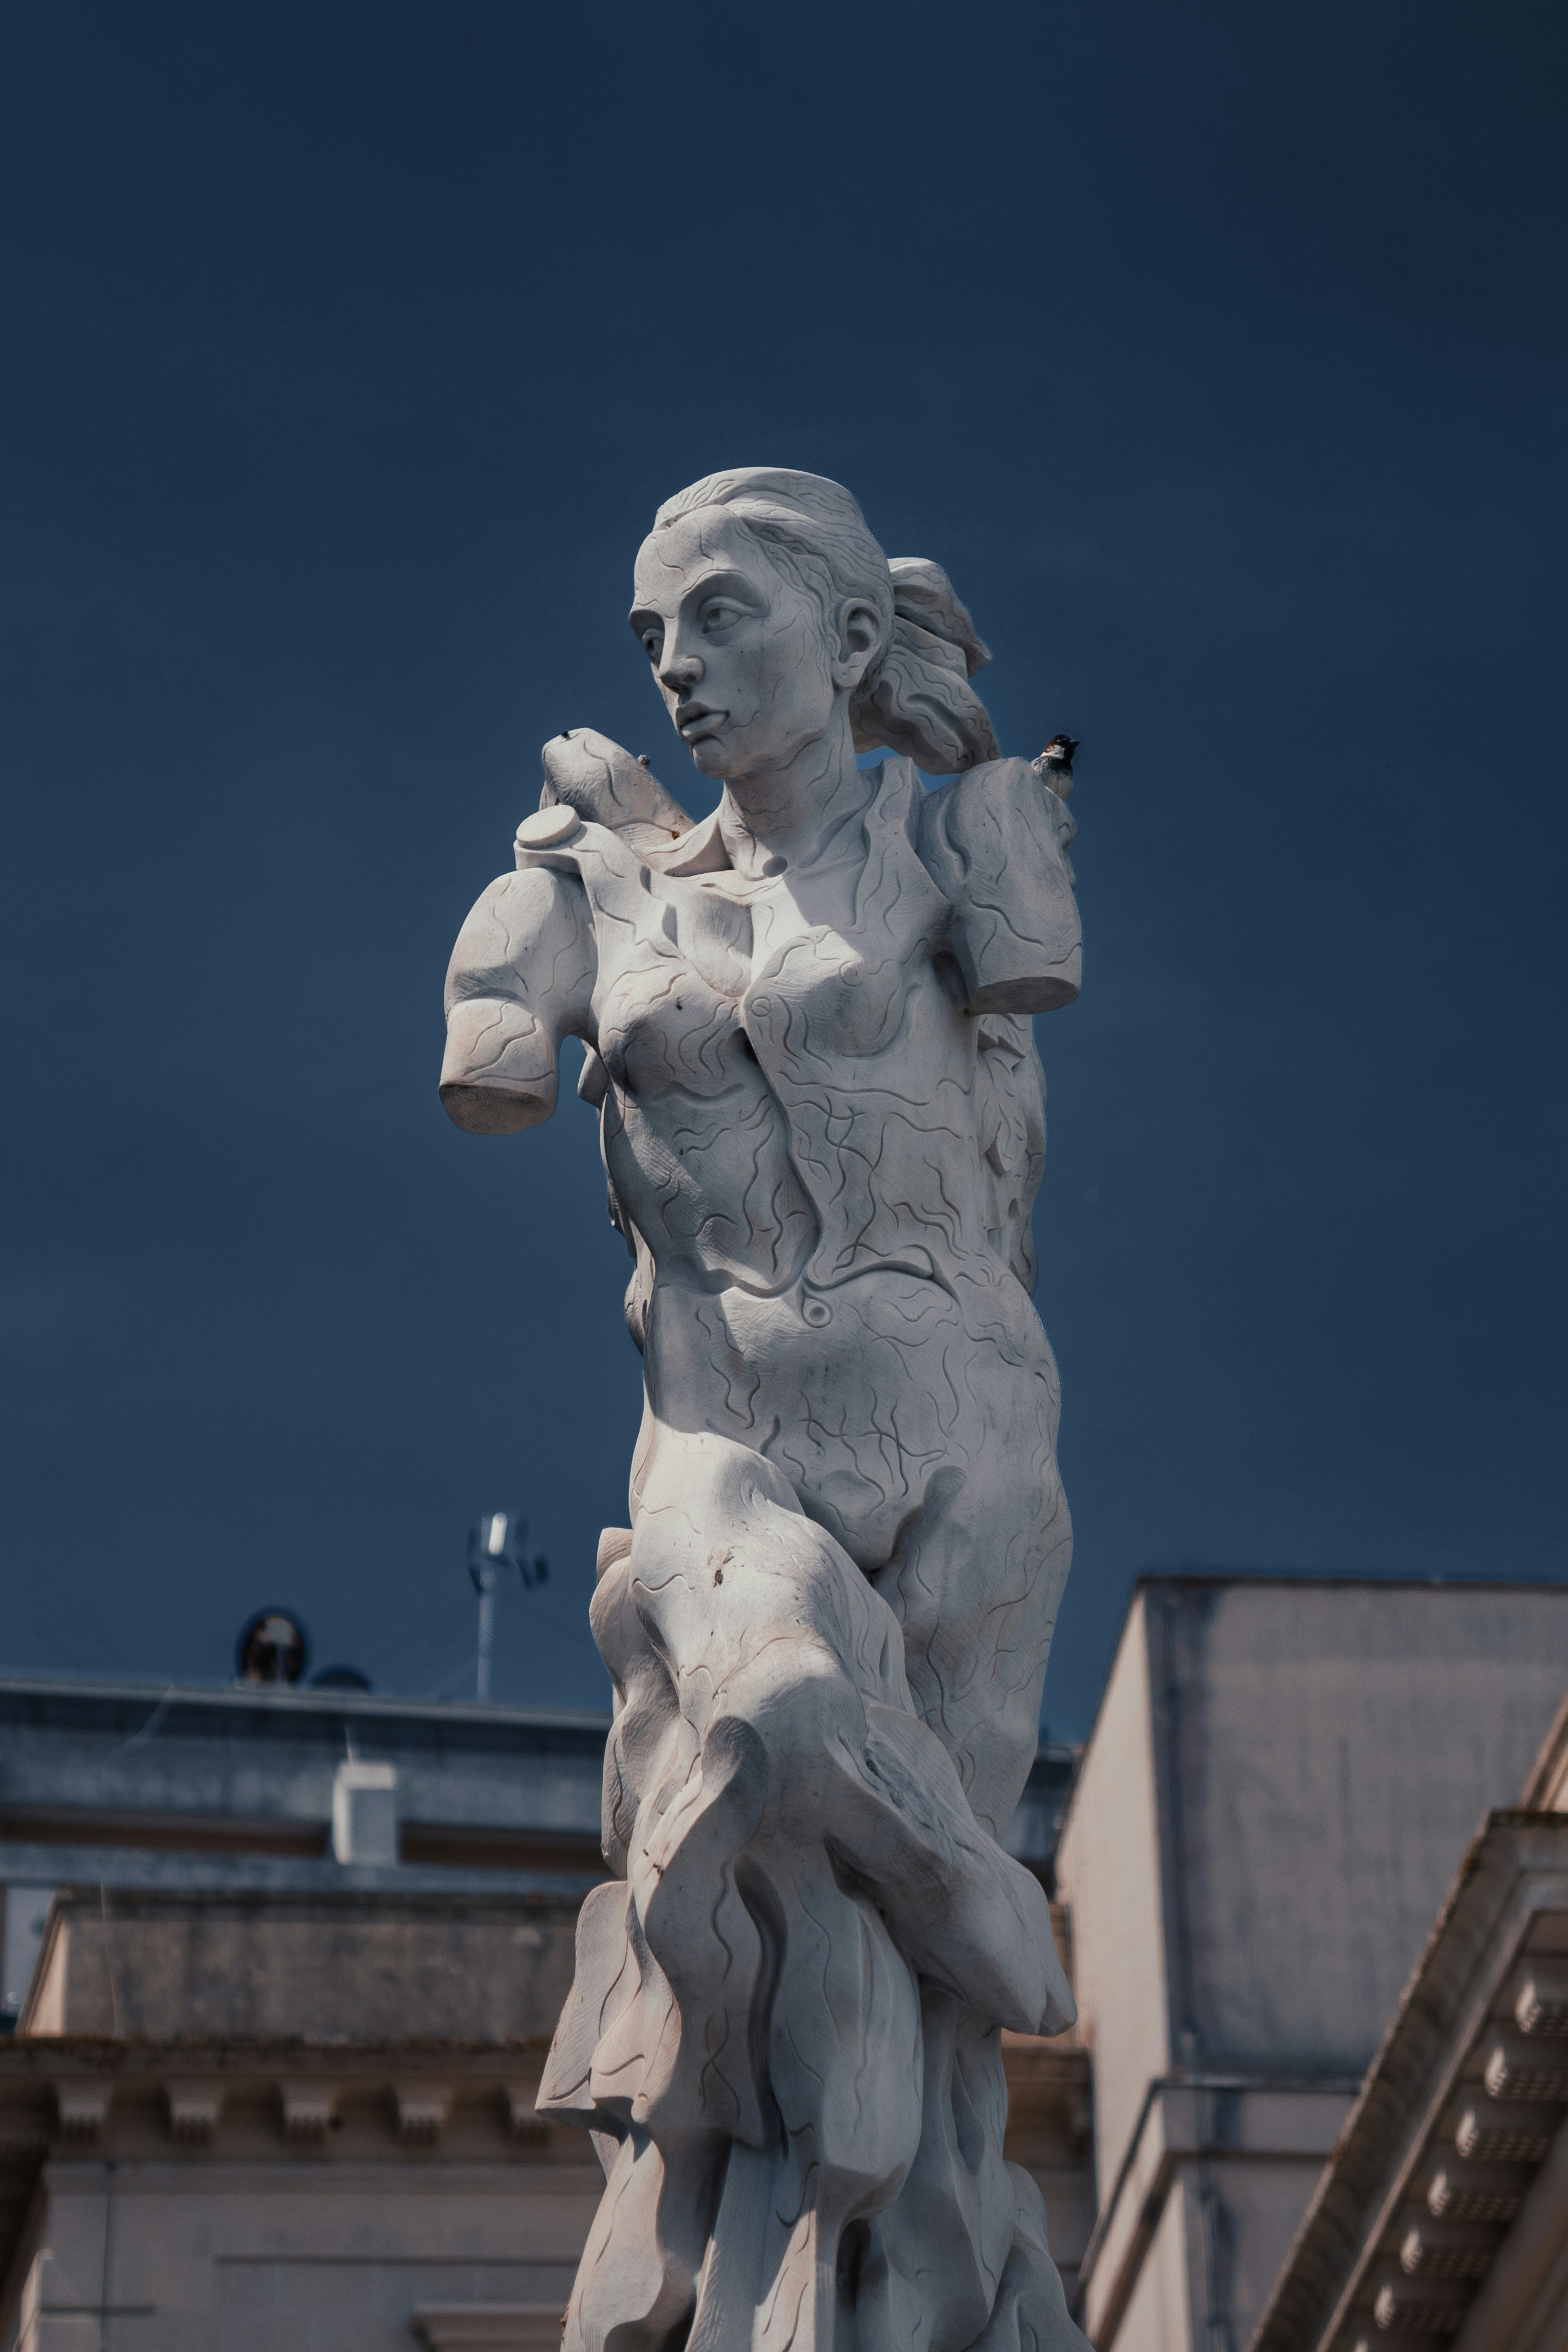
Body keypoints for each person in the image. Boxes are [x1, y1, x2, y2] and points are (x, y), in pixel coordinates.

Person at [441, 469, 1088, 2352]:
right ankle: (960, 1888)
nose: (678, 669)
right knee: (774, 1698)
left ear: (858, 640)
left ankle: (804, 2294)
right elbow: (490, 1042)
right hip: (720, 1426)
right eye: (653, 636)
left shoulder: (971, 840)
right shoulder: (599, 890)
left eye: (721, 615)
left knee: (897, 2060)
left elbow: (1023, 1016)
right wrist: (546, 914)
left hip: (963, 1431)